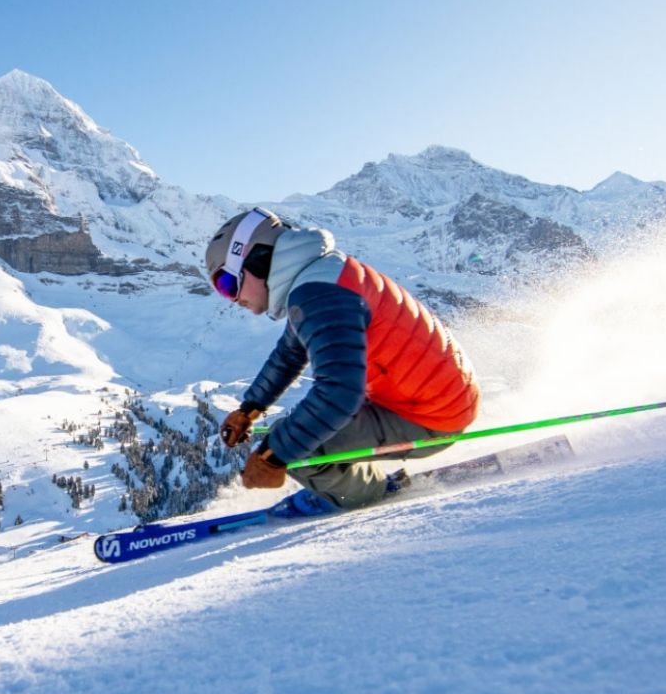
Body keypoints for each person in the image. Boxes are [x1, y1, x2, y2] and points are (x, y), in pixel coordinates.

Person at [204, 207, 480, 512]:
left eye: (227, 283)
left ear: (258, 260)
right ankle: (350, 484)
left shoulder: (318, 295)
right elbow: (290, 353)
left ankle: (374, 496)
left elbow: (339, 392)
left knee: (300, 451)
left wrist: (274, 455)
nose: (232, 299)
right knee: (292, 432)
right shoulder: (321, 278)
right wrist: (251, 408)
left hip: (432, 413)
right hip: (433, 395)